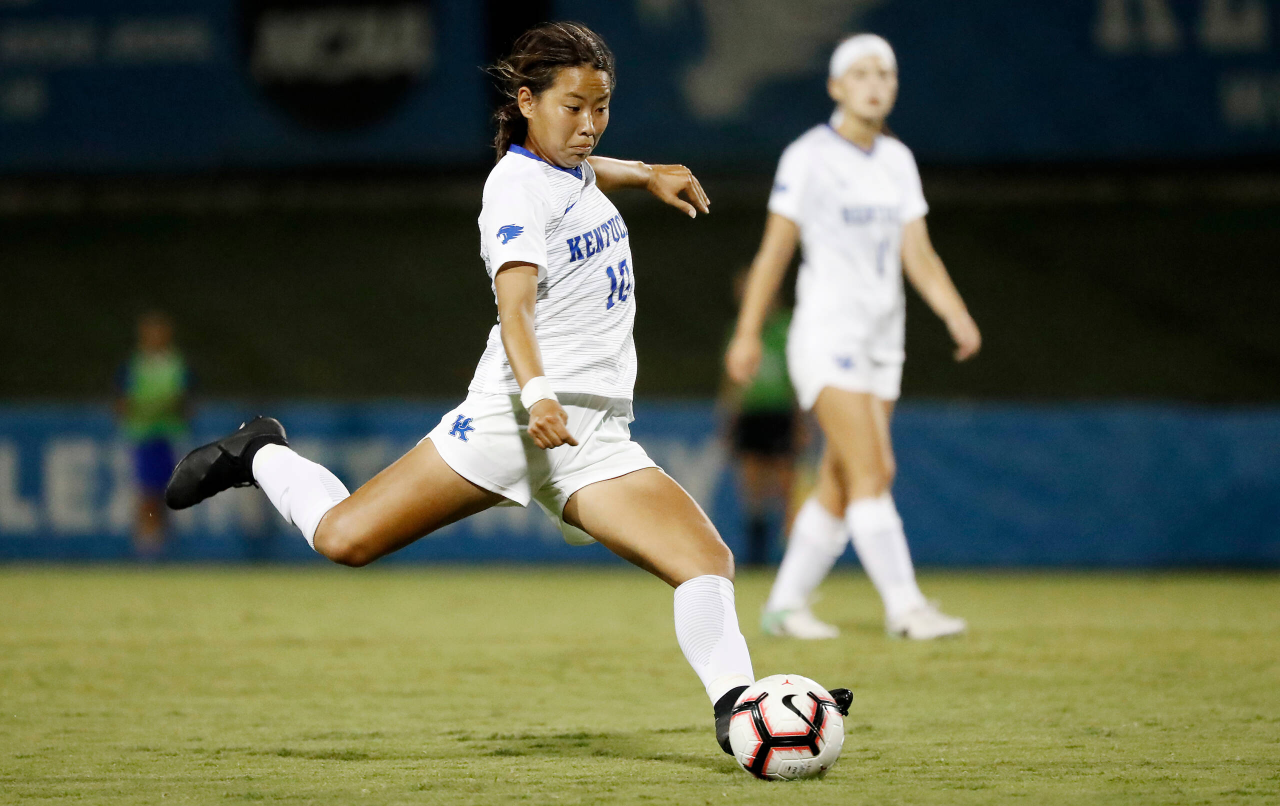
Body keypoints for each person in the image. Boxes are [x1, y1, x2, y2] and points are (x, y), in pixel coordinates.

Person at [164, 22, 850, 751]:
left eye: (602, 106)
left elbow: (584, 173)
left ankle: (738, 711)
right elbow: (515, 309)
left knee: (705, 560)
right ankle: (260, 452)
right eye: (572, 107)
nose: (588, 125)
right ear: (527, 101)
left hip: (589, 437)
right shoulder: (514, 186)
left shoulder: (565, 169)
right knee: (344, 539)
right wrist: (539, 395)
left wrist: (645, 172)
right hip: (514, 418)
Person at [726, 34, 982, 641]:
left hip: (881, 341)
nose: (875, 83)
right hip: (826, 332)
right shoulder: (808, 157)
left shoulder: (896, 160)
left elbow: (916, 252)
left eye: (885, 74)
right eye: (861, 73)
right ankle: (905, 607)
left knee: (843, 480)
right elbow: (774, 252)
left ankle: (784, 606)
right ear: (836, 87)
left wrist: (953, 312)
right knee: (875, 468)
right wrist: (747, 332)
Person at [721, 268, 800, 566]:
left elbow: (799, 375)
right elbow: (731, 381)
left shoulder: (786, 327)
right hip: (750, 414)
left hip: (781, 413)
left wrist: (803, 420)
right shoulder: (738, 331)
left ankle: (796, 554)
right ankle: (758, 553)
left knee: (786, 487)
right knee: (752, 487)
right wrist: (728, 418)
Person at [116, 311, 191, 556]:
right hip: (143, 436)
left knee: (171, 492)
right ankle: (147, 546)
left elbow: (185, 400)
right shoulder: (135, 364)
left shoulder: (175, 363)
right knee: (147, 491)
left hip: (169, 436)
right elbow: (122, 401)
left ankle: (164, 546)